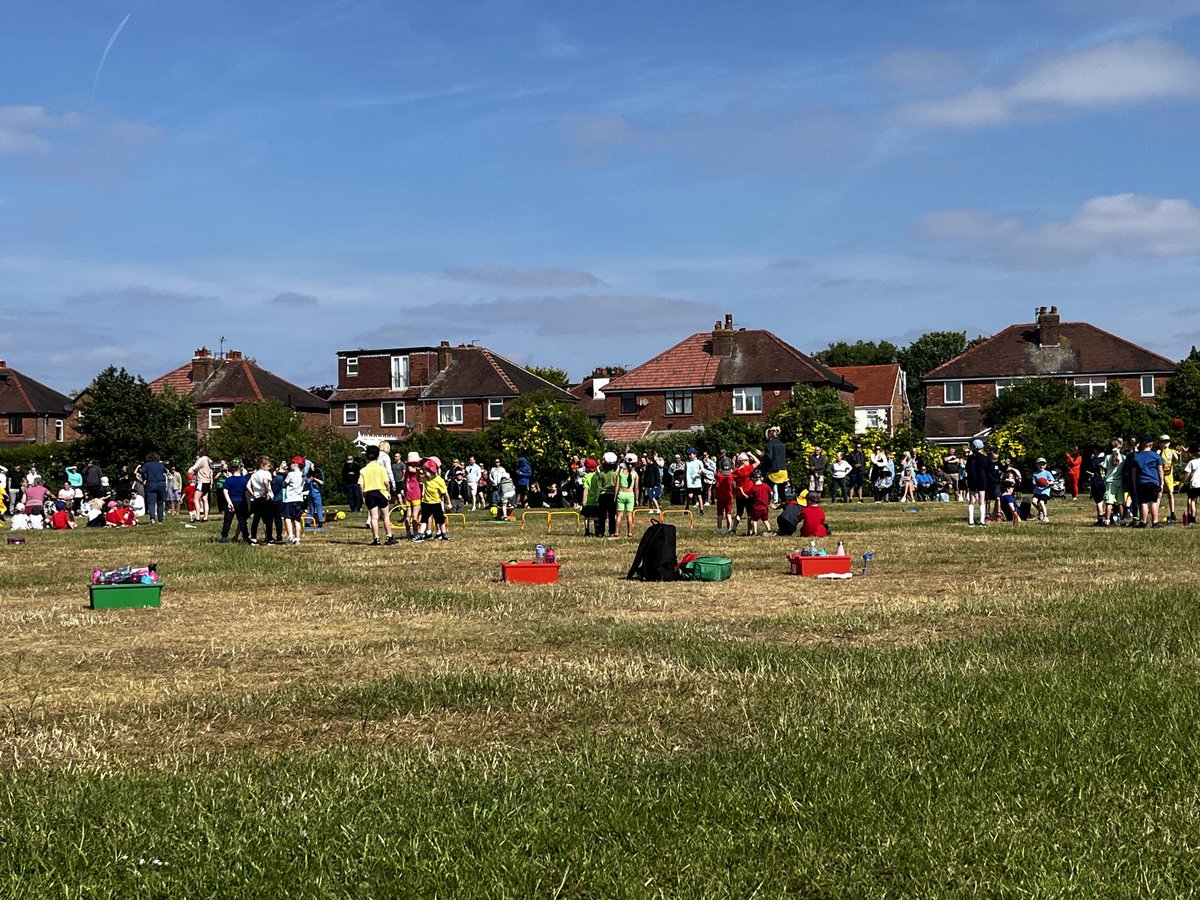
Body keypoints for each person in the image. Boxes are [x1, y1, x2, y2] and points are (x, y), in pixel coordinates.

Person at [359, 448, 397, 546]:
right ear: (377, 456)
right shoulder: (381, 469)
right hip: (381, 492)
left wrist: (362, 495)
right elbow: (386, 482)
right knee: (385, 516)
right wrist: (389, 492)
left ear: (366, 457)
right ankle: (389, 536)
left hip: (370, 494)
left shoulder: (363, 470)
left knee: (374, 517)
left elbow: (361, 485)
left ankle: (376, 539)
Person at [412, 457, 452, 541]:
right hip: (426, 502)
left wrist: (449, 503)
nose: (424, 473)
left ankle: (443, 533)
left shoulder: (439, 480)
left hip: (436, 503)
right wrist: (417, 471)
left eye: (426, 471)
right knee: (424, 519)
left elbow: (445, 493)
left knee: (440, 519)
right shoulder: (425, 479)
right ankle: (421, 533)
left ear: (433, 472)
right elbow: (418, 479)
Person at [1130, 435, 1165, 528]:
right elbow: (1160, 471)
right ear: (1152, 444)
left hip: (1141, 482)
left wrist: (1134, 484)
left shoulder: (1136, 457)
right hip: (1153, 481)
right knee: (1153, 501)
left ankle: (1143, 521)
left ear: (1141, 445)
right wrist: (1162, 482)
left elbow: (1134, 473)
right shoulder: (1156, 456)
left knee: (1143, 502)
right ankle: (1155, 522)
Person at [246, 457, 276, 544]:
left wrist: (253, 493)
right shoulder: (266, 473)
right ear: (262, 465)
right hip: (266, 497)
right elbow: (265, 482)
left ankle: (254, 537)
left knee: (256, 518)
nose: (269, 468)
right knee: (269, 519)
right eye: (268, 466)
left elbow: (248, 486)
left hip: (257, 498)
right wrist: (267, 492)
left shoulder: (254, 475)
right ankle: (269, 538)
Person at [219, 460, 250, 543]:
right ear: (241, 468)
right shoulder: (244, 480)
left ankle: (224, 536)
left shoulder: (229, 480)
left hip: (231, 501)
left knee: (227, 520)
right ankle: (245, 537)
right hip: (241, 502)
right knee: (242, 520)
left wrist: (229, 502)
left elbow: (225, 491)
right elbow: (248, 488)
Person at [730, 450, 760, 536]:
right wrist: (751, 454)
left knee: (739, 513)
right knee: (750, 514)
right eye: (747, 460)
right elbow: (758, 462)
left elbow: (732, 476)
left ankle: (734, 529)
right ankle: (750, 530)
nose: (749, 461)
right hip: (749, 494)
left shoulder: (736, 471)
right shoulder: (748, 469)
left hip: (739, 494)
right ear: (743, 461)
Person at [762, 426, 789, 506]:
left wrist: (762, 455)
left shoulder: (769, 445)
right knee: (781, 489)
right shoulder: (782, 445)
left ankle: (766, 502)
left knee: (767, 488)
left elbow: (769, 457)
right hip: (783, 469)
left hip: (773, 470)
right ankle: (783, 502)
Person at [965, 439, 989, 526]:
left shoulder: (970, 458)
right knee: (982, 500)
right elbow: (987, 470)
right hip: (981, 479)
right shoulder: (984, 458)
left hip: (972, 479)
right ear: (981, 447)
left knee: (972, 500)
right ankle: (982, 521)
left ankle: (971, 521)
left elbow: (967, 469)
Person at [139, 452, 168, 523]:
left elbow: (142, 471)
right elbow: (166, 471)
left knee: (151, 502)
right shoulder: (161, 465)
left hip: (151, 483)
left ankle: (152, 518)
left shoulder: (147, 465)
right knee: (160, 502)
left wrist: (144, 479)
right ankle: (160, 519)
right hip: (161, 484)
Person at [615, 454, 639, 539]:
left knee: (619, 515)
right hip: (630, 494)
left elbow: (617, 485)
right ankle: (629, 533)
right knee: (629, 515)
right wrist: (637, 499)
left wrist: (615, 496)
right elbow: (636, 488)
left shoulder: (620, 472)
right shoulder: (635, 474)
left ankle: (616, 532)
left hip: (621, 493)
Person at [595, 452, 619, 538]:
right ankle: (611, 531)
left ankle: (601, 531)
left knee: (602, 515)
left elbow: (599, 487)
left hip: (603, 495)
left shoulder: (601, 474)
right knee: (612, 515)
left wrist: (597, 497)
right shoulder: (616, 474)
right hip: (612, 495)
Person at [188, 449, 213, 521]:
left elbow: (194, 468)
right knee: (205, 499)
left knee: (196, 499)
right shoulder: (208, 460)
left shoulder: (202, 459)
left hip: (201, 481)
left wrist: (190, 471)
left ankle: (197, 517)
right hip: (207, 481)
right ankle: (205, 517)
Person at [1086, 445, 1109, 526]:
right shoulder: (1108, 459)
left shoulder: (1094, 461)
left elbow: (1090, 473)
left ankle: (1100, 518)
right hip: (1107, 482)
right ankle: (1109, 518)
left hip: (1097, 482)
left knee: (1099, 501)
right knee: (1108, 501)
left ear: (1096, 450)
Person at [1159, 435, 1179, 524]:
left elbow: (1176, 459)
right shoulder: (1158, 452)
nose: (1165, 443)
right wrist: (1162, 451)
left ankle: (1173, 513)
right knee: (1159, 494)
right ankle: (1154, 512)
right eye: (1163, 441)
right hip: (1160, 475)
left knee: (1170, 494)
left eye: (1167, 441)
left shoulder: (1171, 451)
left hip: (1169, 476)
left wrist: (1176, 455)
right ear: (1160, 443)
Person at [748, 470, 772, 536]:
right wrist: (769, 501)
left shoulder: (753, 488)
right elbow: (771, 493)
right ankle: (769, 530)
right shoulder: (766, 486)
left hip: (756, 507)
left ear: (753, 478)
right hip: (765, 507)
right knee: (765, 520)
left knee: (754, 520)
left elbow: (750, 497)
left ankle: (754, 532)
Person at [715, 456, 735, 534]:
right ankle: (729, 528)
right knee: (729, 513)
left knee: (720, 514)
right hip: (729, 497)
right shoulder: (731, 476)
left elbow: (716, 475)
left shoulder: (718, 475)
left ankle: (719, 529)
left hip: (720, 497)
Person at [581, 458, 601, 537]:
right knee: (596, 517)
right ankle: (597, 530)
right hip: (596, 500)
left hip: (588, 501)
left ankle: (587, 531)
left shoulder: (586, 477)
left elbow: (586, 489)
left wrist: (583, 500)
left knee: (586, 516)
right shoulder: (597, 476)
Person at [1029, 458, 1054, 523]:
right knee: (1034, 502)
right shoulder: (1035, 474)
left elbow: (1053, 482)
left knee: (1041, 502)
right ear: (1037, 465)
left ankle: (1045, 517)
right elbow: (1034, 483)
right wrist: (1037, 484)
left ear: (1045, 465)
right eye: (1039, 464)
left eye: (1043, 464)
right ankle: (1041, 511)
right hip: (1037, 491)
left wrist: (1048, 483)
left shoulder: (1047, 473)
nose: (1041, 466)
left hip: (1045, 491)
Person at [683, 448, 705, 515]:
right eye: (688, 454)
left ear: (695, 454)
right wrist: (683, 480)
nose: (689, 456)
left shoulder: (699, 462)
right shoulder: (687, 462)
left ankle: (701, 510)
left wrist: (701, 471)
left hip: (697, 482)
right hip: (690, 482)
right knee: (690, 496)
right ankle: (687, 507)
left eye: (691, 454)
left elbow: (702, 469)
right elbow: (685, 472)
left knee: (699, 496)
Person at [1183, 445, 1200, 526]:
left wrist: (1182, 482)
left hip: (1194, 485)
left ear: (1191, 454)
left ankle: (1192, 518)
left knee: (1192, 501)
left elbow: (1187, 474)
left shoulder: (1191, 462)